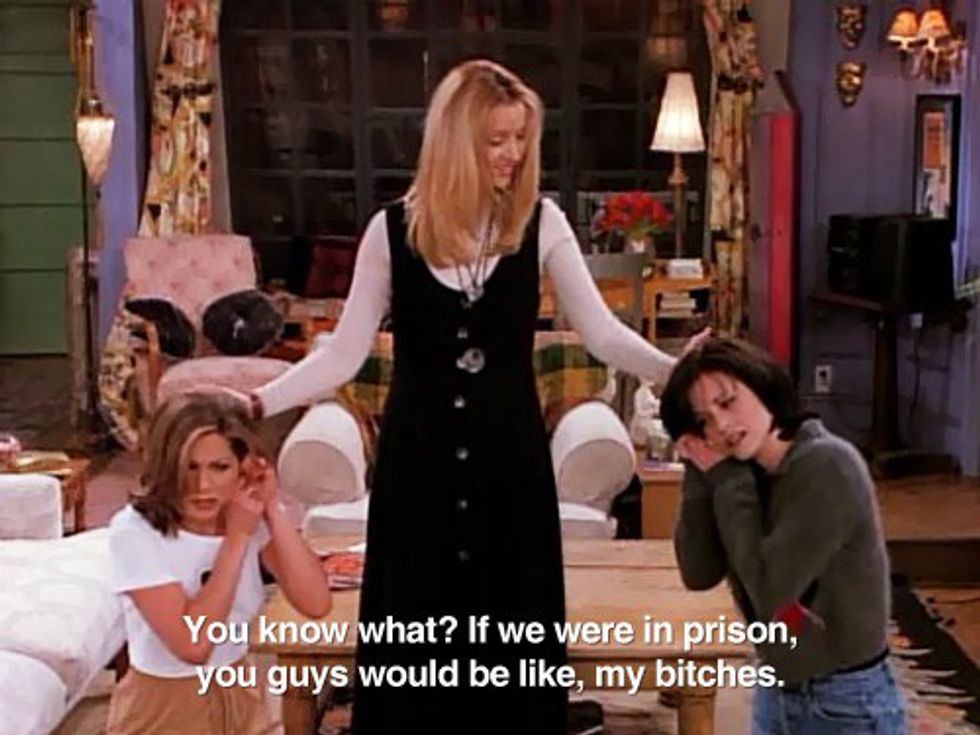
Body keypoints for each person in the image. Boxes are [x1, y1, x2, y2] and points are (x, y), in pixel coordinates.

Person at [248, 59, 699, 734]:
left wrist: (676, 371)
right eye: (497, 139)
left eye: (521, 138)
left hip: (509, 469)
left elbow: (603, 332)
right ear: (456, 141)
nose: (513, 154)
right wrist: (258, 402)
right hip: (417, 470)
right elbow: (341, 354)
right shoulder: (391, 232)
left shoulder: (542, 224)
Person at [660, 337, 906, 734]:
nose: (721, 426)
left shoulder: (827, 465)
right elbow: (698, 572)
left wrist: (725, 478)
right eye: (703, 420)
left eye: (727, 402)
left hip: (844, 700)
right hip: (776, 685)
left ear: (761, 384)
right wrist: (697, 468)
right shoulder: (744, 473)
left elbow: (771, 590)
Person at [106, 391, 332, 734]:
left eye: (220, 467)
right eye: (189, 467)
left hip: (242, 698)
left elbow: (315, 603)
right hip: (163, 710)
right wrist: (236, 540)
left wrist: (271, 508)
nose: (202, 485)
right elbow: (193, 645)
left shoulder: (243, 512)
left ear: (242, 468)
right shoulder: (134, 530)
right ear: (165, 466)